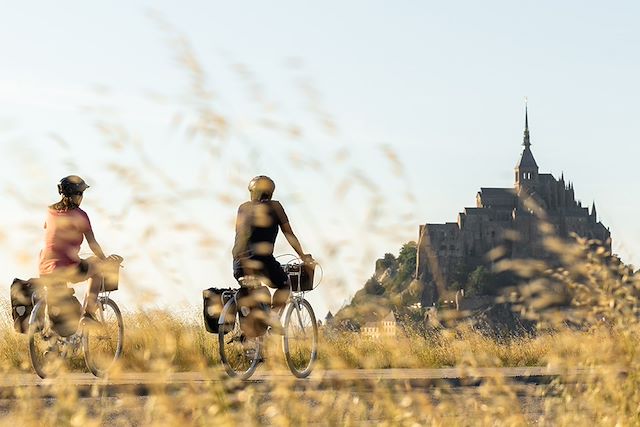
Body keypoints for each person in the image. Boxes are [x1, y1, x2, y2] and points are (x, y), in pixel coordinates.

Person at [38, 175, 121, 325]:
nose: (82, 197)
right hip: (66, 267)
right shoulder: (80, 215)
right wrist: (104, 259)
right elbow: (92, 243)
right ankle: (89, 314)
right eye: (81, 193)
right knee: (97, 267)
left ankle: (57, 343)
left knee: (60, 305)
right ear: (75, 195)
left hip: (44, 267)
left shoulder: (49, 211)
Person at [232, 175, 313, 314]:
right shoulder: (275, 206)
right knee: (285, 284)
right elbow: (289, 234)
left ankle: (249, 332)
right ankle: (273, 319)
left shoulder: (243, 207)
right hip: (262, 261)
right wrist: (302, 255)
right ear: (270, 193)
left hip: (238, 264)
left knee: (254, 292)